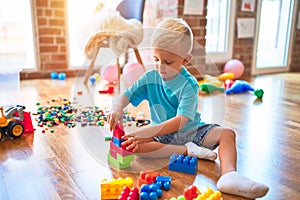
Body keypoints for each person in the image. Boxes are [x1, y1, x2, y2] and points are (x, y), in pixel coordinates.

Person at [107, 18, 269, 199]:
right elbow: (126, 95)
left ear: (185, 59)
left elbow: (181, 121)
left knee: (228, 134)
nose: (161, 66)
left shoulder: (189, 84)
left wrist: (147, 132)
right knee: (132, 146)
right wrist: (117, 108)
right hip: (163, 135)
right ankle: (186, 150)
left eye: (168, 62)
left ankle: (229, 175)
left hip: (192, 131)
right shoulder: (150, 78)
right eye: (156, 59)